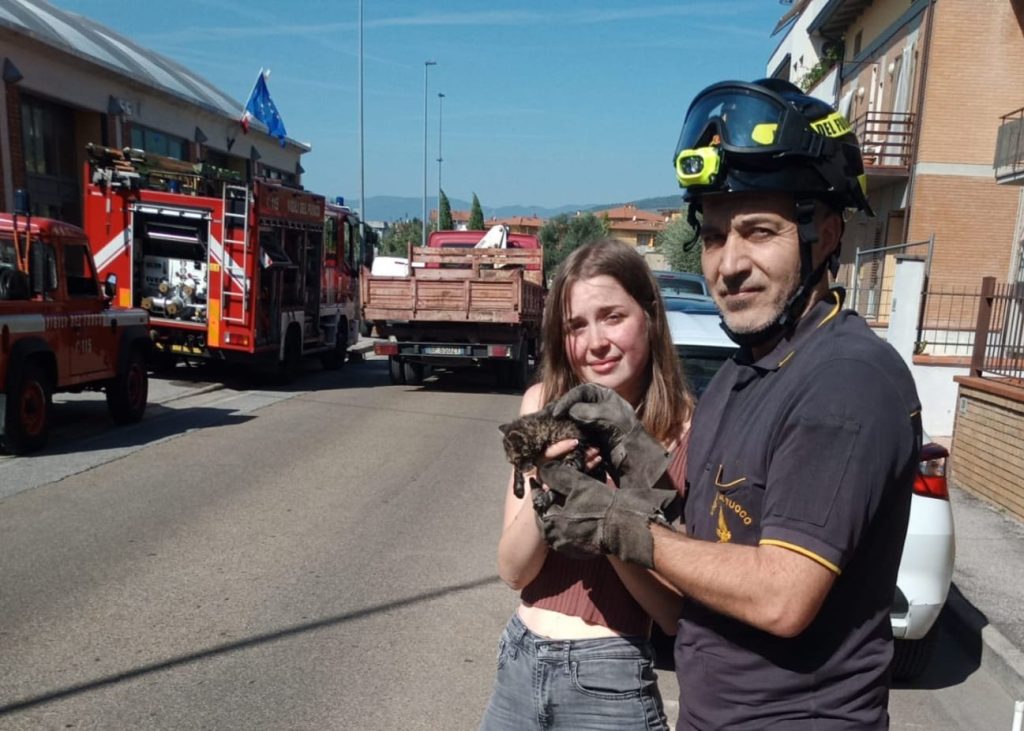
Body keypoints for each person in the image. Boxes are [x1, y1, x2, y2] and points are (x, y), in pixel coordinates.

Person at [534, 79, 923, 730]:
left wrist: (624, 527)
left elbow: (780, 594)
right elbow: (689, 596)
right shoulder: (743, 377)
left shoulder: (846, 379)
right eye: (714, 236)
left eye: (758, 231)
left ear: (824, 235)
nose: (728, 263)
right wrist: (602, 511)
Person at [478, 238, 695, 731]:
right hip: (518, 661)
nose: (594, 342)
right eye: (576, 325)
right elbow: (513, 571)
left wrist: (604, 518)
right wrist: (552, 494)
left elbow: (673, 613)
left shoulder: (687, 434)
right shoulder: (542, 405)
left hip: (610, 678)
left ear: (650, 316)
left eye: (613, 316)